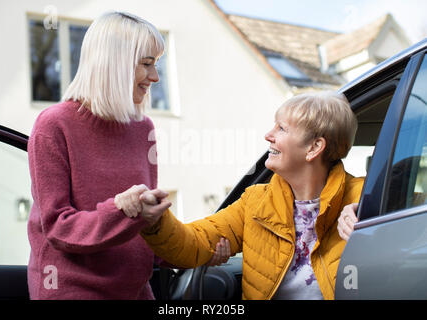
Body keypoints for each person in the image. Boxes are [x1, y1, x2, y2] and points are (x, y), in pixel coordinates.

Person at [27, 11, 228, 300]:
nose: (155, 77)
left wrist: (196, 252)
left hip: (137, 291)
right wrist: (123, 212)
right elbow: (59, 228)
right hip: (71, 290)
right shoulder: (53, 125)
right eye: (146, 64)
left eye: (156, 65)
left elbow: (146, 227)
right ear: (114, 63)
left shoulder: (143, 128)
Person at [139, 91, 365, 300]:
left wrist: (366, 223)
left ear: (314, 147)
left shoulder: (365, 196)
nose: (268, 136)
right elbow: (194, 242)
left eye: (282, 129)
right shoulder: (256, 201)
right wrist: (155, 220)